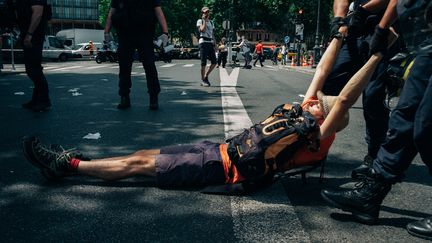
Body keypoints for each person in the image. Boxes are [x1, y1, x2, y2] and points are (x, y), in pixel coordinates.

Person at [22, 32, 397, 192]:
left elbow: (345, 100)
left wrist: (379, 52)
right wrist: (341, 33)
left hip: (221, 168)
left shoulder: (314, 137)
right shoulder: (305, 114)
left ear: (325, 120)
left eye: (320, 104)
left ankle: (67, 165)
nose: (313, 99)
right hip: (216, 149)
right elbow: (321, 73)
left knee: (138, 168)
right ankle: (75, 161)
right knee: (140, 157)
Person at [321, 0, 432, 240]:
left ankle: (374, 168)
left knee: (426, 125)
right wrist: (381, 28)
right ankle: (371, 194)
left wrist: (372, 18)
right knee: (406, 114)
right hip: (424, 42)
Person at [323, 0, 404, 179]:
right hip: (355, 28)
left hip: (383, 25)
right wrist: (339, 21)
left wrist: (365, 10)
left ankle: (374, 157)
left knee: (373, 95)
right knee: (327, 86)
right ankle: (317, 144)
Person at [104, 0, 169, 110]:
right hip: (134, 33)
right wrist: (165, 32)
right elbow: (158, 12)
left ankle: (128, 97)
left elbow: (111, 13)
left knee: (139, 66)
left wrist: (107, 31)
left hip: (136, 33)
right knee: (138, 66)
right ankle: (149, 98)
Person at [15, 0, 51, 112]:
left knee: (34, 69)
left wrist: (29, 35)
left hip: (34, 36)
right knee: (32, 68)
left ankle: (44, 100)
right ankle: (37, 99)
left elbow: (38, 13)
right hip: (30, 34)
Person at [196, 6, 217, 87]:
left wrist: (215, 45)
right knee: (203, 63)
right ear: (202, 13)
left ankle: (206, 76)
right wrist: (204, 20)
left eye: (208, 12)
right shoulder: (200, 21)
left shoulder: (211, 22)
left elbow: (212, 34)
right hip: (203, 42)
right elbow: (202, 30)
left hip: (210, 42)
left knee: (214, 62)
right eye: (205, 12)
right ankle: (203, 80)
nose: (207, 13)